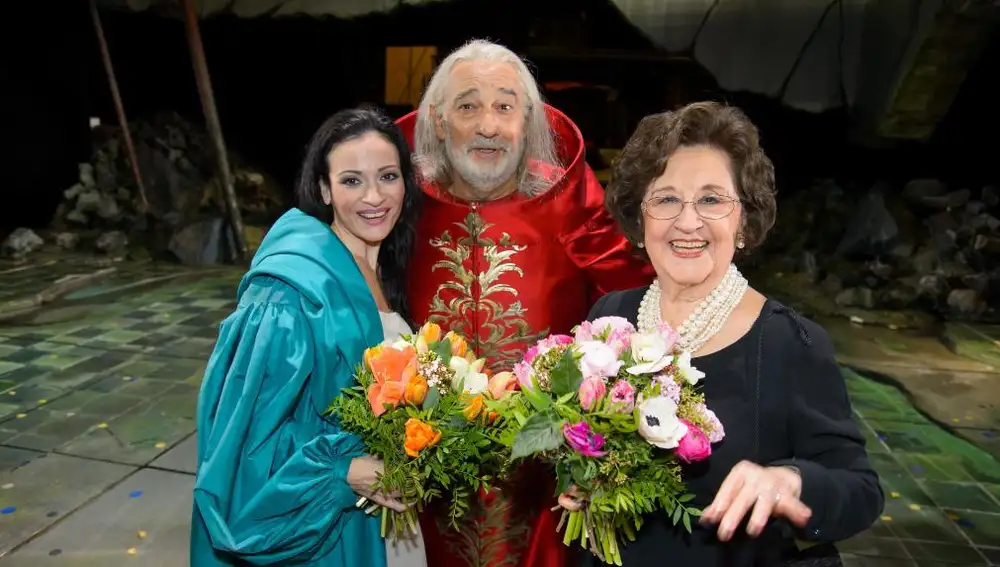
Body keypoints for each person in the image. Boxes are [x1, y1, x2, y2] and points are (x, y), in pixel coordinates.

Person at [564, 101, 884, 566]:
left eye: (712, 199)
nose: (688, 221)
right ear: (640, 220)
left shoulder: (790, 343)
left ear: (744, 222)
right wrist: (579, 477)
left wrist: (789, 481)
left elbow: (860, 490)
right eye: (667, 198)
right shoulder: (611, 317)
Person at [394, 39, 656, 567]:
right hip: (421, 467)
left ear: (527, 120)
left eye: (504, 106)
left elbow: (637, 303)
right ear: (440, 123)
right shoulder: (400, 203)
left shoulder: (567, 198)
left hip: (542, 482)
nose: (487, 124)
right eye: (467, 106)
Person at [190, 107, 427, 567]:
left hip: (386, 519)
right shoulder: (288, 292)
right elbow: (244, 447)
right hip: (327, 532)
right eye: (352, 181)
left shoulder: (386, 270)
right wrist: (345, 471)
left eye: (388, 176)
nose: (375, 197)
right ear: (324, 189)